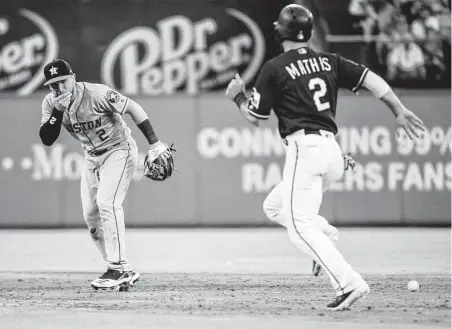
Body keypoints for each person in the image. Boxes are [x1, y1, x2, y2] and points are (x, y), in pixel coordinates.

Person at [226, 4, 425, 311]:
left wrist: (238, 95)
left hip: (306, 150)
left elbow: (255, 117)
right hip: (331, 150)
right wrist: (398, 109)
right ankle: (326, 234)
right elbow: (372, 79)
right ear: (310, 32)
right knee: (274, 206)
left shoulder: (275, 67)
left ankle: (349, 283)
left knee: (298, 227)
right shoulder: (329, 60)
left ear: (280, 32)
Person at [39, 59, 174, 291]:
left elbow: (133, 108)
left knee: (107, 202)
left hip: (119, 149)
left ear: (72, 78)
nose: (59, 89)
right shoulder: (51, 103)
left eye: (62, 82)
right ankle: (117, 268)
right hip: (91, 156)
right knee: (91, 216)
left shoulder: (96, 93)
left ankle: (119, 267)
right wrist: (57, 113)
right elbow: (47, 139)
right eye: (53, 85)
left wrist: (154, 142)